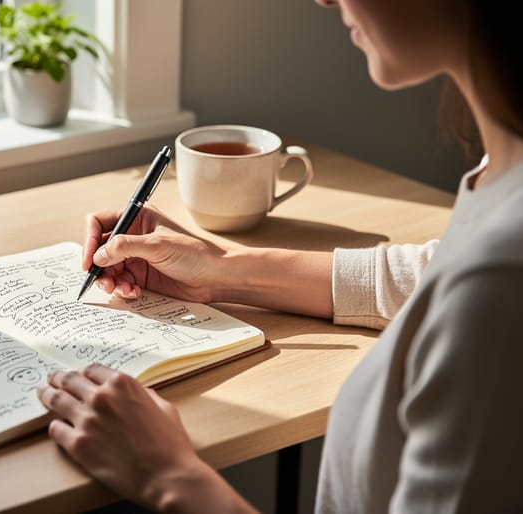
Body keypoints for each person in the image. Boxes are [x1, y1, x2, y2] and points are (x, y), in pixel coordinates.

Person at [36, 0, 523, 511]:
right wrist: (222, 270)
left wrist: (171, 478)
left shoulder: (501, 284)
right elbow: (429, 276)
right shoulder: (501, 177)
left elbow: (474, 295)